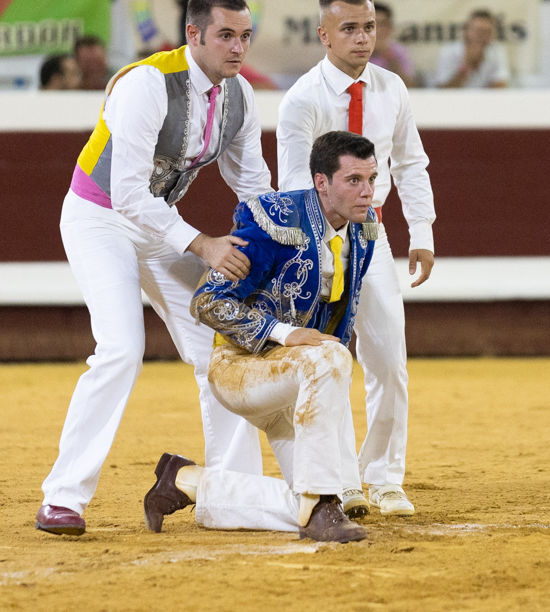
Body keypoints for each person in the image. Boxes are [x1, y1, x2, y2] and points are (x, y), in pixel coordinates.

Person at [36, 0, 275, 537]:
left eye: (244, 37)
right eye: (225, 36)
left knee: (222, 341)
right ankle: (62, 497)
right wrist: (204, 245)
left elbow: (251, 182)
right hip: (100, 217)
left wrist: (285, 239)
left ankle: (231, 493)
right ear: (193, 35)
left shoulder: (238, 96)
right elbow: (125, 193)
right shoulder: (145, 83)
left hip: (158, 222)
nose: (237, 48)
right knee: (121, 348)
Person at [144, 131, 384, 543]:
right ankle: (322, 503)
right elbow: (207, 302)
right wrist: (285, 333)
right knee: (330, 356)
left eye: (372, 180)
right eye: (354, 181)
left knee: (305, 505)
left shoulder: (363, 231)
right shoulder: (274, 219)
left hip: (295, 384)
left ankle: (187, 481)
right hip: (240, 369)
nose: (367, 193)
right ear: (322, 182)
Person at [276, 0, 436, 519]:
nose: (362, 38)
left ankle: (385, 478)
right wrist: (314, 255)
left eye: (368, 26)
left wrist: (423, 232)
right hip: (321, 239)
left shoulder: (391, 88)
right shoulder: (303, 98)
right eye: (349, 28)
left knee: (389, 360)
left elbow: (410, 163)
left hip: (373, 236)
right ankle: (342, 480)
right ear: (324, 35)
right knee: (331, 360)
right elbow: (296, 182)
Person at [433, 9, 510, 89]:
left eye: (487, 31)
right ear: (466, 31)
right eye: (478, 31)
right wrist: (466, 67)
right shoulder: (448, 51)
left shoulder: (496, 50)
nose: (482, 36)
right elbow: (443, 92)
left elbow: (500, 88)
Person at [369, 2, 417, 87]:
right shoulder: (352, 49)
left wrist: (388, 55)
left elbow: (409, 86)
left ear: (390, 27)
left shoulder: (399, 51)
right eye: (372, 25)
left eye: (382, 24)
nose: (378, 30)